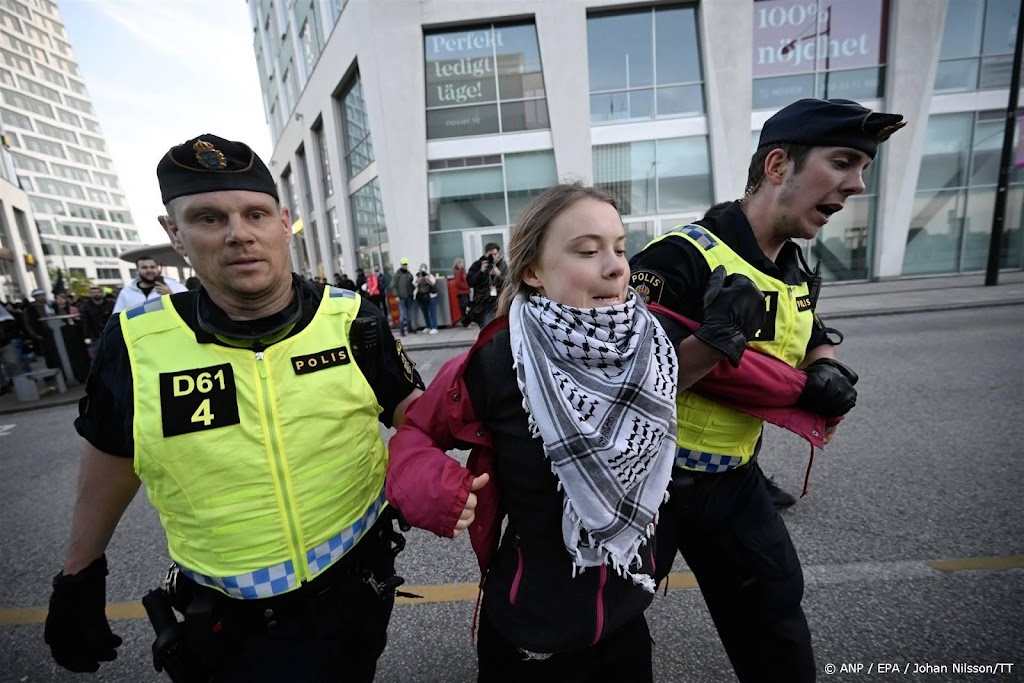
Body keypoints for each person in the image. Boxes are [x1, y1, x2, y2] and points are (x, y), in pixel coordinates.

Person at [43, 133, 425, 682]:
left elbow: (414, 413)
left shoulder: (352, 318)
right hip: (226, 621)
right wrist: (79, 576)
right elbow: (112, 455)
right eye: (208, 218)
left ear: (284, 222)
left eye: (255, 214)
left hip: (355, 590)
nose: (239, 235)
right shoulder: (135, 343)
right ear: (173, 234)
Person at [629, 98, 899, 682]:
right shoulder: (677, 258)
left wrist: (826, 367)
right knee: (609, 629)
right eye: (845, 162)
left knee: (775, 621)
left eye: (863, 170)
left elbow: (812, 333)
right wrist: (713, 340)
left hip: (734, 480)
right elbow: (621, 378)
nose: (856, 185)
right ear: (778, 165)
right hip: (647, 483)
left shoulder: (797, 267)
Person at [387, 183, 679, 682]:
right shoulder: (497, 361)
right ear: (532, 272)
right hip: (530, 627)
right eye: (588, 250)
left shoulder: (653, 343)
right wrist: (433, 489)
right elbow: (414, 435)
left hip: (626, 614)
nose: (615, 266)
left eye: (620, 248)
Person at [702, 200, 797, 510]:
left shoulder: (779, 267)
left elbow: (810, 328)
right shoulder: (704, 264)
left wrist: (824, 360)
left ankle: (752, 468)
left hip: (753, 400)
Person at [112, 256, 187, 313]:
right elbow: (117, 316)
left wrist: (171, 295)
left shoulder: (175, 286)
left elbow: (188, 308)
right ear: (137, 270)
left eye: (152, 267)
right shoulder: (126, 293)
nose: (149, 270)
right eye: (144, 267)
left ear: (157, 269)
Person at [465, 242, 505, 327]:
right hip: (484, 305)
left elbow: (509, 283)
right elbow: (470, 283)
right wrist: (480, 272)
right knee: (488, 330)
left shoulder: (502, 265)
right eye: (490, 255)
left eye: (495, 254)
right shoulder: (478, 265)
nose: (493, 257)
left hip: (500, 303)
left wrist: (499, 274)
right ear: (485, 254)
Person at [78, 287, 114, 360]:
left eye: (98, 292)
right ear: (90, 294)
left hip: (111, 332)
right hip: (95, 334)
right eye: (93, 293)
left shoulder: (110, 305)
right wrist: (86, 336)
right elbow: (85, 322)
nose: (96, 294)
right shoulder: (86, 307)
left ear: (102, 293)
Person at [392, 258, 415, 336]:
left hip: (409, 296)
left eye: (406, 264)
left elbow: (412, 282)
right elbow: (394, 286)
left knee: (409, 314)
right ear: (401, 265)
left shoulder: (409, 274)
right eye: (403, 264)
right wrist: (396, 296)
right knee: (402, 314)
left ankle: (410, 328)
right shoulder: (397, 274)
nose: (405, 266)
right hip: (401, 297)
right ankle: (402, 330)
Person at [413, 263, 438, 334]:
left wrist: (426, 278)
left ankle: (434, 327)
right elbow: (414, 284)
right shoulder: (417, 276)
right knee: (425, 312)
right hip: (421, 296)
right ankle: (428, 326)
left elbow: (433, 283)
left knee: (432, 312)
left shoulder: (430, 276)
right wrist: (420, 278)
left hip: (431, 296)